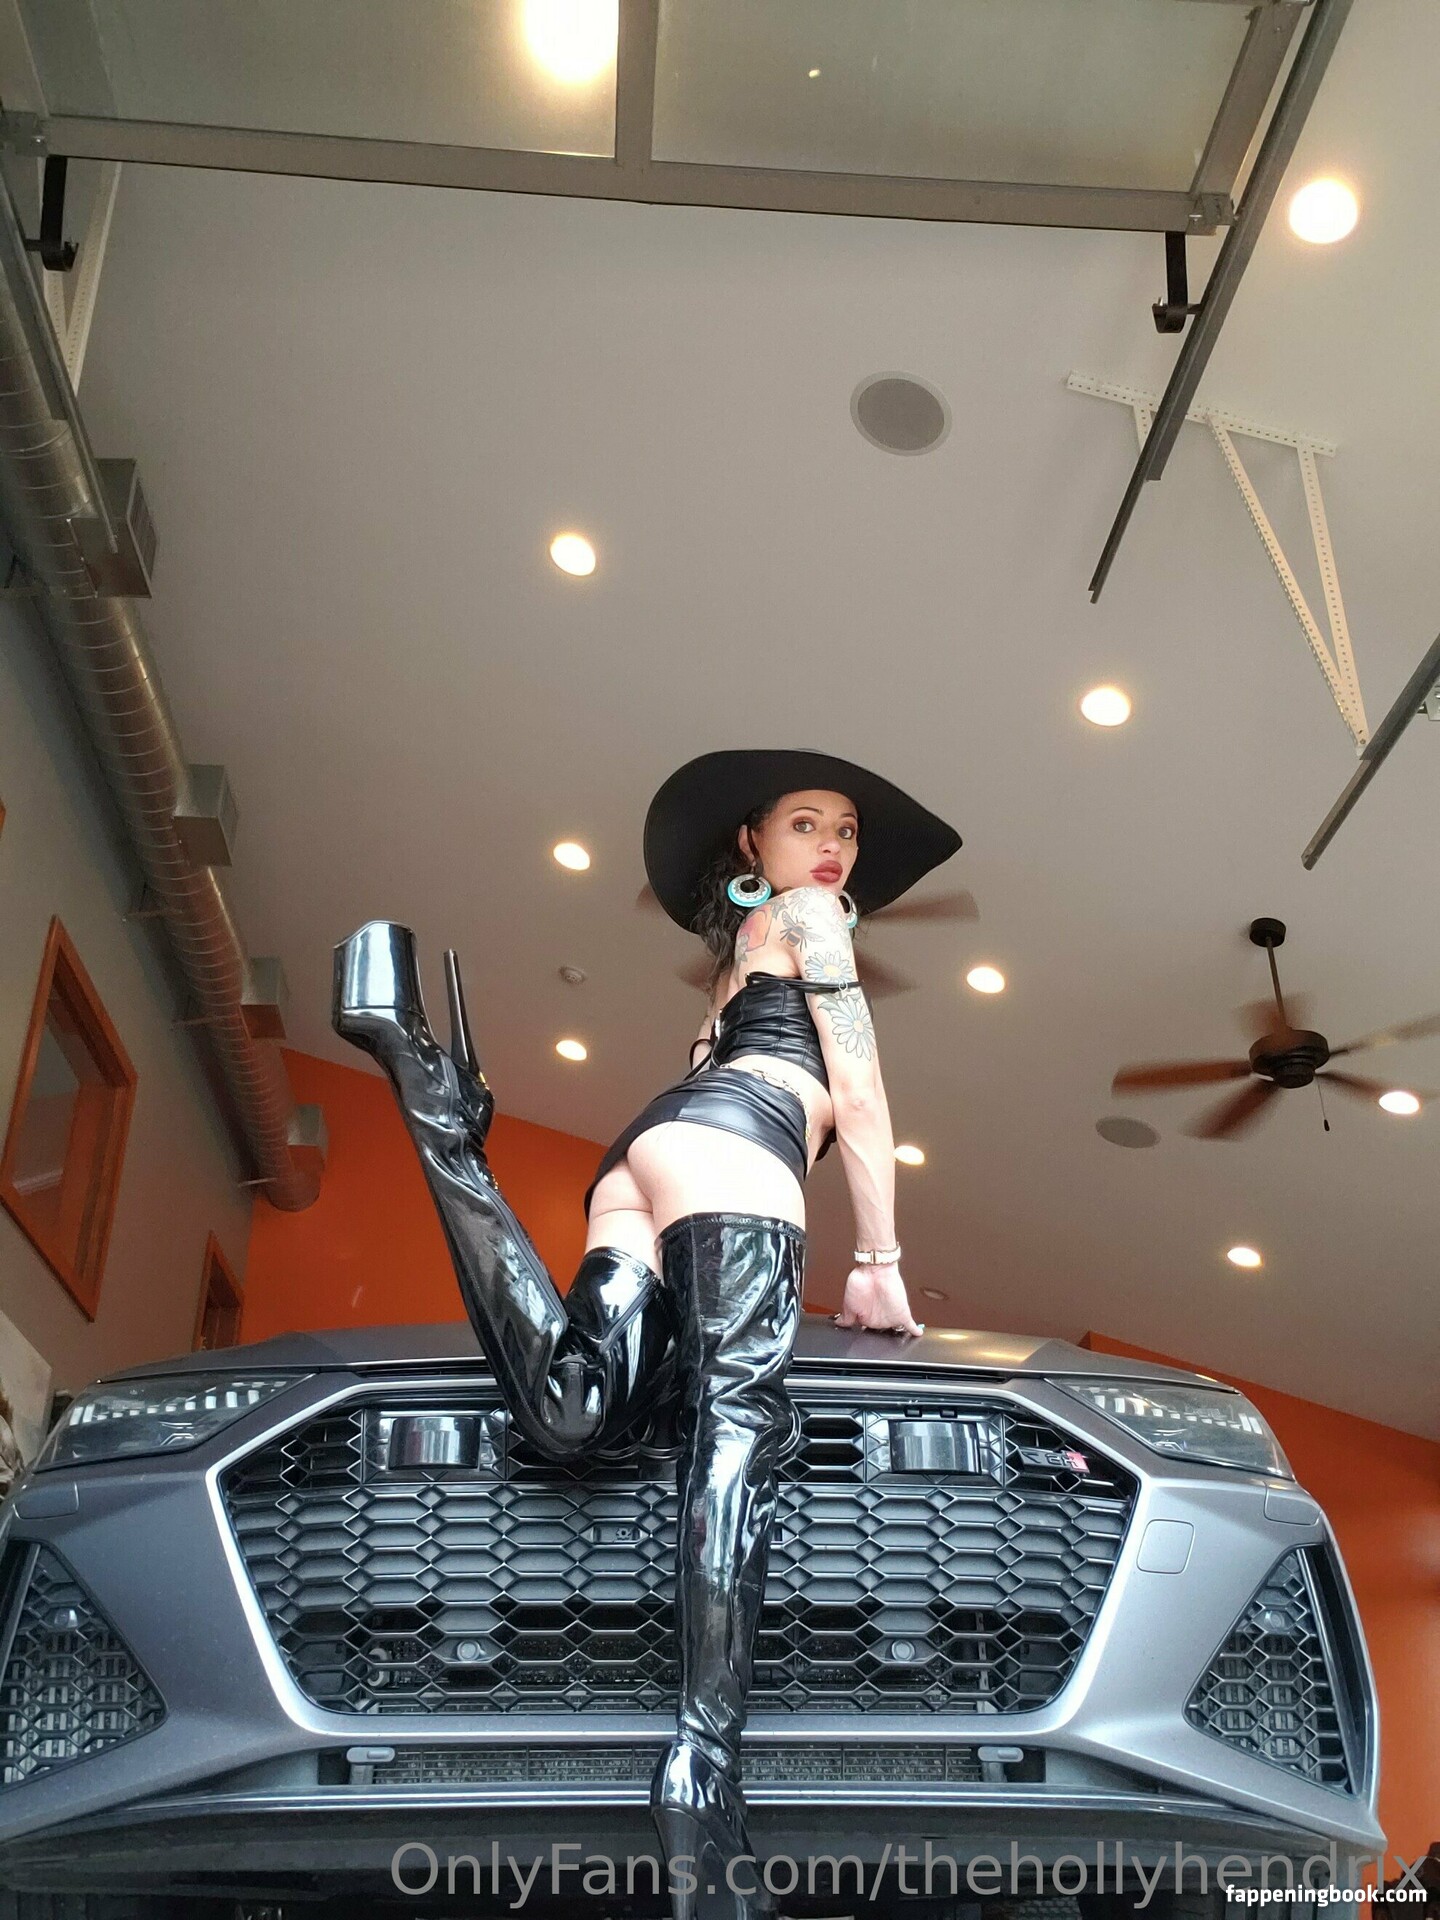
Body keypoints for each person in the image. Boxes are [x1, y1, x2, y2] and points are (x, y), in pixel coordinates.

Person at [332, 748, 961, 1920]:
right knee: (739, 1423)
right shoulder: (813, 920)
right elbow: (860, 1093)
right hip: (741, 1148)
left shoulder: (735, 962)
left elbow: (717, 1074)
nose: (832, 849)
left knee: (574, 1411)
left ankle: (435, 1107)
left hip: (648, 1152)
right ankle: (703, 1771)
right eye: (806, 823)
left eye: (846, 832)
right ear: (752, 845)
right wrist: (877, 1260)